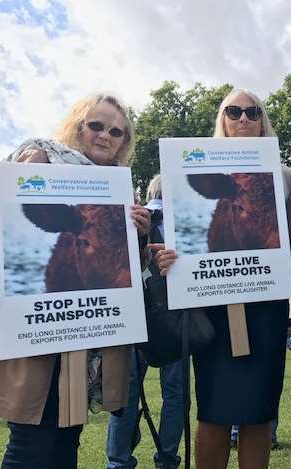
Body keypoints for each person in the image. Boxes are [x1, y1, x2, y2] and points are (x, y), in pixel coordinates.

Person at [0, 93, 150, 468]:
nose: (104, 136)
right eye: (96, 125)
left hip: (87, 335)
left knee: (66, 441)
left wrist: (140, 236)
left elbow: (128, 275)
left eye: (116, 131)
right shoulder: (40, 159)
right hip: (37, 329)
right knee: (30, 441)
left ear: (124, 141)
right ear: (78, 127)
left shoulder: (121, 192)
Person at [154, 89, 291, 469]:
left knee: (261, 406)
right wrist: (167, 256)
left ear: (263, 120)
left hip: (266, 304)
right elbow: (172, 230)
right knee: (213, 407)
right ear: (223, 119)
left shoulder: (285, 176)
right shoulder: (189, 169)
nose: (244, 119)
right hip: (212, 300)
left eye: (252, 112)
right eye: (234, 111)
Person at [106, 175, 185, 469]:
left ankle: (119, 461)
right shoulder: (185, 221)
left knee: (126, 394)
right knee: (175, 393)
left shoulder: (128, 217)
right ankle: (167, 459)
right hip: (173, 313)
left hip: (135, 312)